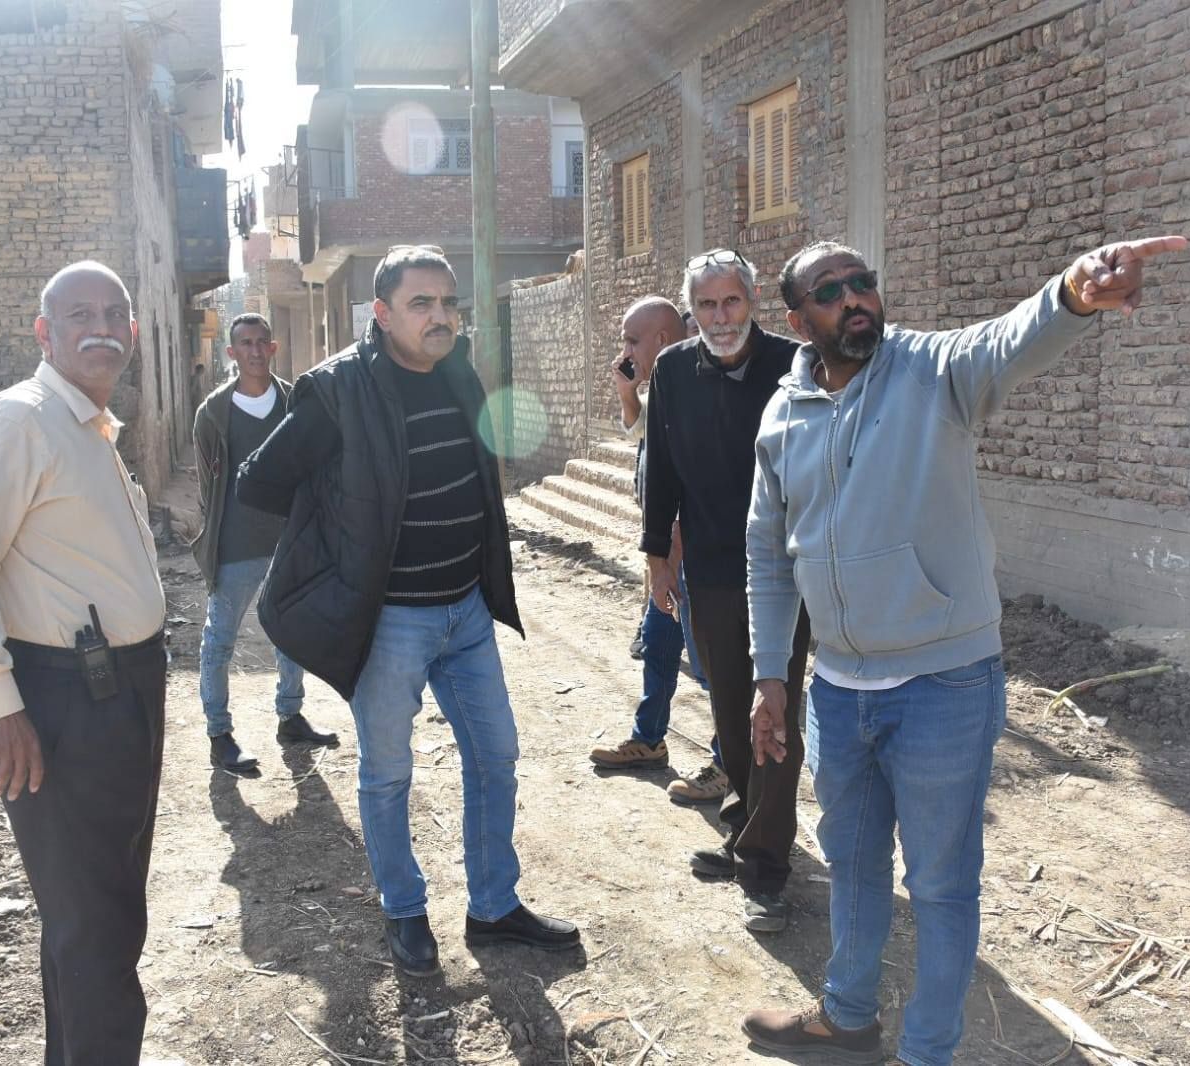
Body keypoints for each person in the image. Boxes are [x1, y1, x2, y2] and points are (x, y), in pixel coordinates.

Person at [740, 235, 1189, 1065]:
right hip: (836, 688)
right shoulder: (781, 414)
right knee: (851, 863)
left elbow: (1010, 339)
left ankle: (927, 1053)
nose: (854, 298)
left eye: (862, 282)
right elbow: (768, 554)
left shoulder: (931, 371)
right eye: (830, 291)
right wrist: (770, 676)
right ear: (797, 320)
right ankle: (846, 1017)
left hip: (942, 682)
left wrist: (1073, 291)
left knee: (940, 884)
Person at [236, 245, 579, 976]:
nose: (439, 316)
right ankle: (404, 910)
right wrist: (337, 538)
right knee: (388, 774)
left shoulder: (457, 371)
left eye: (448, 302)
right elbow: (259, 482)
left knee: (496, 756)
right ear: (383, 314)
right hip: (391, 620)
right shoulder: (338, 390)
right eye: (420, 303)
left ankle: (494, 908)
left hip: (465, 612)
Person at [0, 261, 168, 1065]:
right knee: (97, 929)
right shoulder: (15, 421)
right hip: (67, 703)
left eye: (114, 314)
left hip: (122, 692)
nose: (102, 328)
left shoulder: (87, 426)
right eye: (79, 315)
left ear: (133, 330)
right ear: (44, 333)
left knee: (97, 917)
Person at [642, 249, 810, 933]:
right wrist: (658, 556)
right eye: (706, 305)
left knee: (775, 711)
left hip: (784, 572)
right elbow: (660, 469)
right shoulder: (672, 370)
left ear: (752, 302)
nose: (719, 317)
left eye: (730, 301)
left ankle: (765, 871)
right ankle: (745, 828)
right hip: (709, 568)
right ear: (692, 311)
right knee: (729, 708)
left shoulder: (793, 365)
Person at [589, 297, 726, 804]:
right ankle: (649, 740)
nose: (624, 351)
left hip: (694, 558)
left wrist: (671, 560)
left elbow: (694, 491)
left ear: (663, 341)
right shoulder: (669, 387)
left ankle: (728, 762)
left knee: (711, 665)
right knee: (659, 646)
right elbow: (640, 428)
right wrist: (628, 391)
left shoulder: (698, 393)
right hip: (669, 557)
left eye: (632, 341)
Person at [191, 313, 336, 773]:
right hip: (235, 547)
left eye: (261, 342)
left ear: (273, 348)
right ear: (231, 352)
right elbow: (208, 485)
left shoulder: (295, 402)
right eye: (245, 344)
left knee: (290, 635)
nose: (254, 351)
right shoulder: (213, 413)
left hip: (288, 542)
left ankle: (290, 717)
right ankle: (219, 734)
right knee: (219, 642)